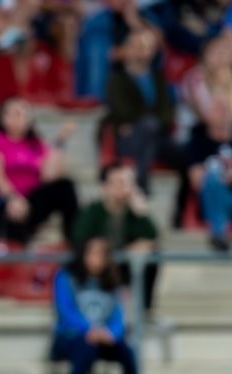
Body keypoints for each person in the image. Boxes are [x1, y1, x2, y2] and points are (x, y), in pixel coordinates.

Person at [51, 236, 143, 374]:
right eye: (92, 253)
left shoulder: (112, 283)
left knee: (128, 352)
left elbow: (118, 316)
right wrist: (89, 330)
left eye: (101, 254)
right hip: (70, 338)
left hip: (101, 338)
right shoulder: (66, 276)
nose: (96, 259)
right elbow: (65, 312)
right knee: (86, 348)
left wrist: (111, 334)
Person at [0, 96, 79, 243]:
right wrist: (12, 197)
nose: (22, 117)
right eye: (16, 112)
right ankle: (15, 260)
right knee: (15, 212)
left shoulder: (35, 142)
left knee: (65, 187)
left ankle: (75, 242)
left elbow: (49, 176)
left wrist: (61, 141)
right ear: (3, 117)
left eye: (25, 113)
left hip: (29, 200)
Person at [73, 163, 159, 313]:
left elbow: (152, 236)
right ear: (105, 186)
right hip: (100, 267)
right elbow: (79, 238)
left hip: (126, 268)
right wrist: (117, 249)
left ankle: (144, 309)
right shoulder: (92, 211)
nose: (124, 187)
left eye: (127, 183)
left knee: (152, 254)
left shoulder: (134, 214)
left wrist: (142, 212)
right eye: (119, 182)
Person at [105, 28, 177, 192]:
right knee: (149, 125)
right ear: (127, 49)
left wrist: (143, 121)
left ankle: (182, 207)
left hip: (157, 137)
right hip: (128, 140)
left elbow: (168, 110)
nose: (141, 50)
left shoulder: (159, 78)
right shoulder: (117, 79)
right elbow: (122, 111)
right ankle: (141, 181)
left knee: (185, 153)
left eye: (146, 46)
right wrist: (148, 119)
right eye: (137, 46)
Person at [200, 141, 232, 251]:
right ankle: (219, 235)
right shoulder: (199, 140)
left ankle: (218, 233)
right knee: (212, 179)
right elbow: (196, 181)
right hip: (221, 199)